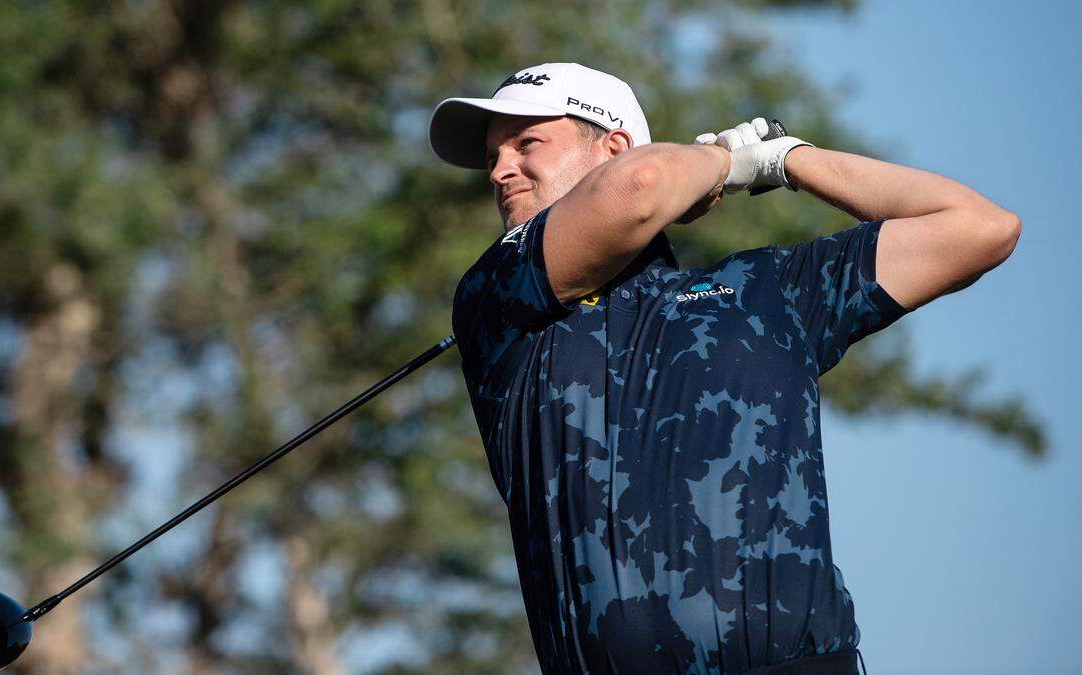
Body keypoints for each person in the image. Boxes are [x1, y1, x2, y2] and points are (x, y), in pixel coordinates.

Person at [429, 62, 1020, 674]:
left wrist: (785, 159)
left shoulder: (765, 290)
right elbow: (641, 188)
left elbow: (980, 228)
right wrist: (721, 163)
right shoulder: (498, 303)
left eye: (526, 143)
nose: (499, 170)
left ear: (614, 147)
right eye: (494, 154)